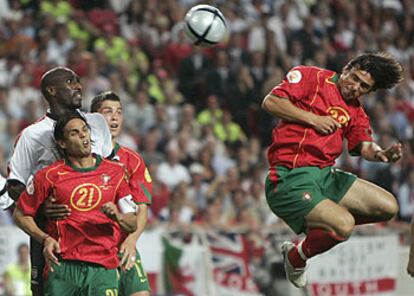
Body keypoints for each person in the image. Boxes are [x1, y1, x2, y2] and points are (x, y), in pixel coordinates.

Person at [261, 52, 403, 288]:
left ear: (369, 91)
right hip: (289, 177)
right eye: (355, 78)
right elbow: (271, 102)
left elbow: (364, 145)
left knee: (388, 207)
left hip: (325, 176)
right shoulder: (311, 77)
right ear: (347, 68)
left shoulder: (355, 110)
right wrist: (313, 119)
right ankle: (297, 258)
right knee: (343, 224)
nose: (355, 87)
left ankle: (318, 229)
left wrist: (381, 154)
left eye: (364, 86)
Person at [13, 112, 148, 296]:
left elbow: (132, 223)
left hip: (102, 269)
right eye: (74, 133)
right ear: (62, 143)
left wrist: (117, 216)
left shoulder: (116, 172)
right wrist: (45, 238)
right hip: (63, 267)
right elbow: (20, 214)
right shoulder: (48, 176)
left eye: (85, 130)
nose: (83, 135)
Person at [7, 66, 113, 295]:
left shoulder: (97, 123)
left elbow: (110, 171)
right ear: (52, 90)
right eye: (70, 81)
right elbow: (15, 184)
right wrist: (42, 207)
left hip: (95, 229)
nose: (78, 85)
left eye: (77, 81)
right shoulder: (32, 134)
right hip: (52, 231)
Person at [90, 91, 152, 296]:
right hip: (90, 247)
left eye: (119, 112)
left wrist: (132, 240)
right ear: (94, 118)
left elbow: (142, 207)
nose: (115, 117)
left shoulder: (132, 160)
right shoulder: (82, 158)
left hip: (123, 243)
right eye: (107, 112)